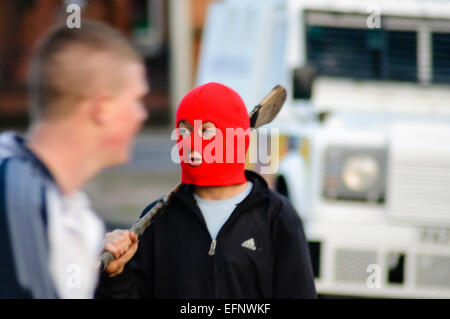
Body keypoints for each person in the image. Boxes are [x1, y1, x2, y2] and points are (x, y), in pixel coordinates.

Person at [95, 82, 317, 298]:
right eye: (184, 131)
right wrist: (115, 276)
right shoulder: (157, 220)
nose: (191, 143)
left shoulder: (277, 217)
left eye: (207, 131)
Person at [0, 20, 147, 298]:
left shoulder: (65, 209)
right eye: (136, 100)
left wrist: (112, 278)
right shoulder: (22, 200)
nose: (142, 115)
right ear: (102, 108)